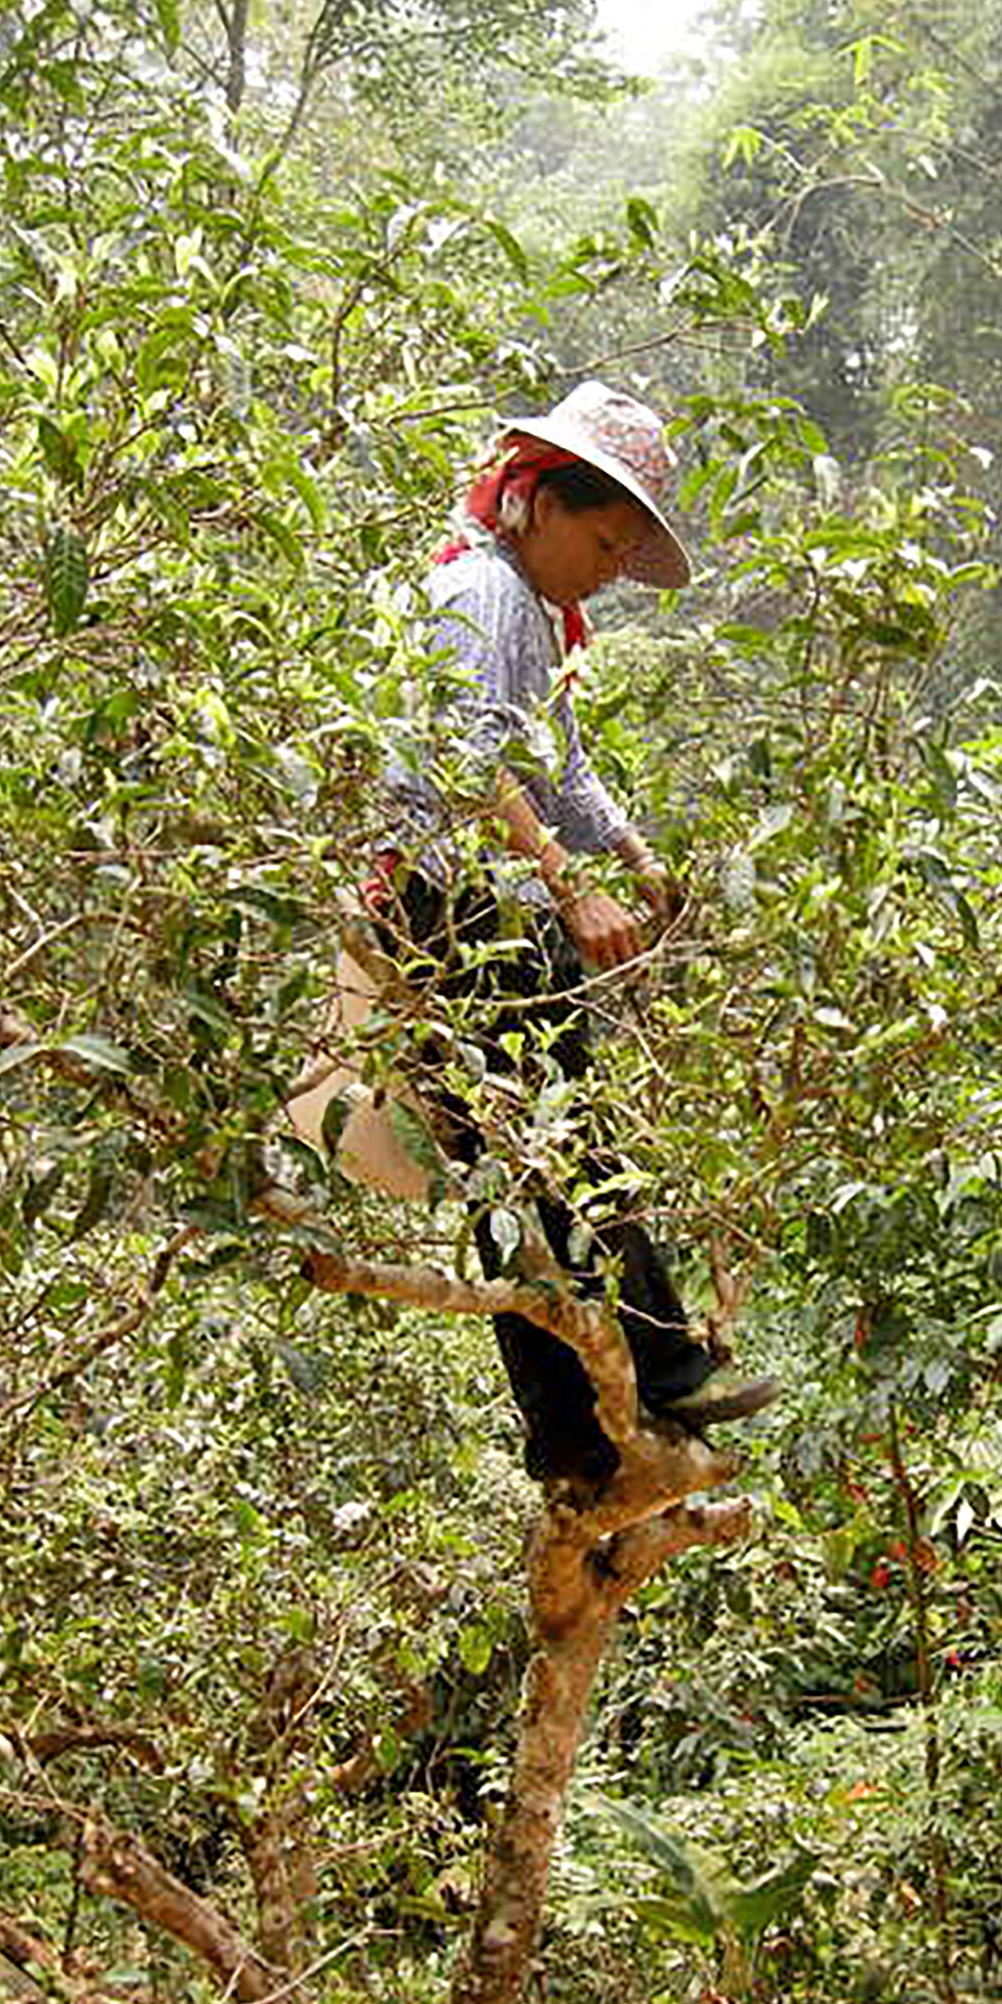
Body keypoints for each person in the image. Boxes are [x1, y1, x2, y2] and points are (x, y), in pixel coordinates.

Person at [372, 379, 776, 1492]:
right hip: (467, 911)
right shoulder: (487, 595)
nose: (608, 568)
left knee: (517, 1173)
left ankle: (570, 1437)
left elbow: (561, 765)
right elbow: (463, 754)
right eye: (602, 540)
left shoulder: (527, 610)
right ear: (541, 504)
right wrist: (568, 887)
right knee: (567, 1144)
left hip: (457, 916)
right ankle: (663, 1362)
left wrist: (640, 862)